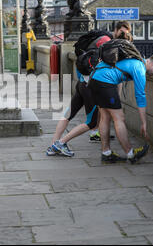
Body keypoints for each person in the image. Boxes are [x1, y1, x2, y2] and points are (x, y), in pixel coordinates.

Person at [46, 27, 133, 159]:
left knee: (68, 114)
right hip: (89, 85)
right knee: (91, 122)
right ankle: (60, 144)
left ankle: (53, 144)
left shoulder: (100, 38)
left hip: (81, 81)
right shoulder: (107, 42)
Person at [88, 25, 153, 164]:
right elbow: (140, 96)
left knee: (105, 117)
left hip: (95, 78)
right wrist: (144, 123)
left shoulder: (135, 61)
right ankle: (130, 154)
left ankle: (106, 153)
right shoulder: (139, 68)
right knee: (119, 118)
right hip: (104, 82)